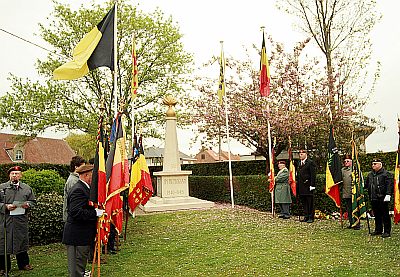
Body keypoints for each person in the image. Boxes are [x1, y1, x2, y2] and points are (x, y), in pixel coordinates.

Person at [63, 164, 104, 277]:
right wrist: (95, 213)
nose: (95, 179)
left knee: (80, 266)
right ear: (86, 175)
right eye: (93, 175)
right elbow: (76, 212)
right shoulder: (78, 190)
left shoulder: (84, 188)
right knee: (76, 269)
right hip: (77, 236)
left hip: (82, 235)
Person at [0, 166, 36, 274]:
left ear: (21, 175)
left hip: (20, 221)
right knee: (3, 243)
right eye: (13, 173)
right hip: (5, 221)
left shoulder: (27, 188)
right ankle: (3, 267)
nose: (15, 175)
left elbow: (33, 201)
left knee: (21, 241)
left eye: (17, 173)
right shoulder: (2, 188)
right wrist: (5, 206)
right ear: (9, 175)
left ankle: (24, 264)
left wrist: (28, 204)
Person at [364, 158, 393, 238]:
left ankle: (387, 231)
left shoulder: (386, 174)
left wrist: (388, 194)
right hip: (373, 197)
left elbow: (389, 185)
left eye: (375, 164)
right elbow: (367, 185)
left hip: (383, 197)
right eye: (372, 164)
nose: (373, 165)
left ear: (380, 164)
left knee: (385, 215)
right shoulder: (370, 174)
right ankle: (378, 230)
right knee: (377, 215)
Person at [63, 156, 86, 222]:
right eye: (82, 166)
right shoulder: (73, 181)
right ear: (76, 167)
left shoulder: (76, 179)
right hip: (72, 218)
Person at [297, 149, 316, 223]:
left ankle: (311, 217)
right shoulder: (299, 163)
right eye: (300, 154)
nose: (300, 155)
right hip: (301, 186)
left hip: (308, 186)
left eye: (302, 153)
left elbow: (313, 175)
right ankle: (306, 216)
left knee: (310, 202)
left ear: (306, 154)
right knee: (304, 202)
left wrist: (312, 185)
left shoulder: (310, 163)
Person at [341, 155, 360, 230]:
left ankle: (357, 224)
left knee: (355, 208)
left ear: (352, 162)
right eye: (345, 161)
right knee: (349, 209)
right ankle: (351, 223)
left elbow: (359, 181)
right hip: (346, 192)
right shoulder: (343, 170)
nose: (346, 162)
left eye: (348, 161)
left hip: (354, 193)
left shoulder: (355, 170)